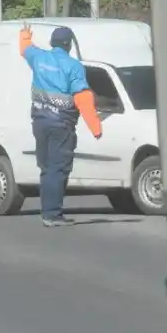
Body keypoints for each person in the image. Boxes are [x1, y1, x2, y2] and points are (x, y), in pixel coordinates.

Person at [20, 24, 102, 227]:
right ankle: (52, 215)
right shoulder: (74, 66)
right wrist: (95, 127)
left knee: (46, 168)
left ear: (52, 43)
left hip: (39, 122)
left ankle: (47, 212)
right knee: (58, 169)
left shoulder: (38, 57)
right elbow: (83, 97)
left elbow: (24, 49)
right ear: (68, 45)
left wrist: (25, 34)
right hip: (61, 125)